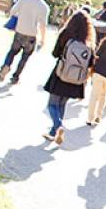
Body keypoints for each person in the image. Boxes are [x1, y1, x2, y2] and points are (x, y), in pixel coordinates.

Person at [42, 11, 96, 145]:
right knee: (62, 104)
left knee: (52, 104)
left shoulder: (65, 34)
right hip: (75, 79)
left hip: (61, 73)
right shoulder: (88, 42)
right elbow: (90, 63)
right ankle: (53, 132)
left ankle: (58, 126)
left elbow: (55, 54)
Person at [0, 0, 50, 84]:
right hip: (31, 35)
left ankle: (6, 65)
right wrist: (43, 40)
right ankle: (15, 77)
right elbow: (43, 25)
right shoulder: (44, 7)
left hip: (19, 31)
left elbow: (12, 12)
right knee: (24, 57)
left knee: (12, 52)